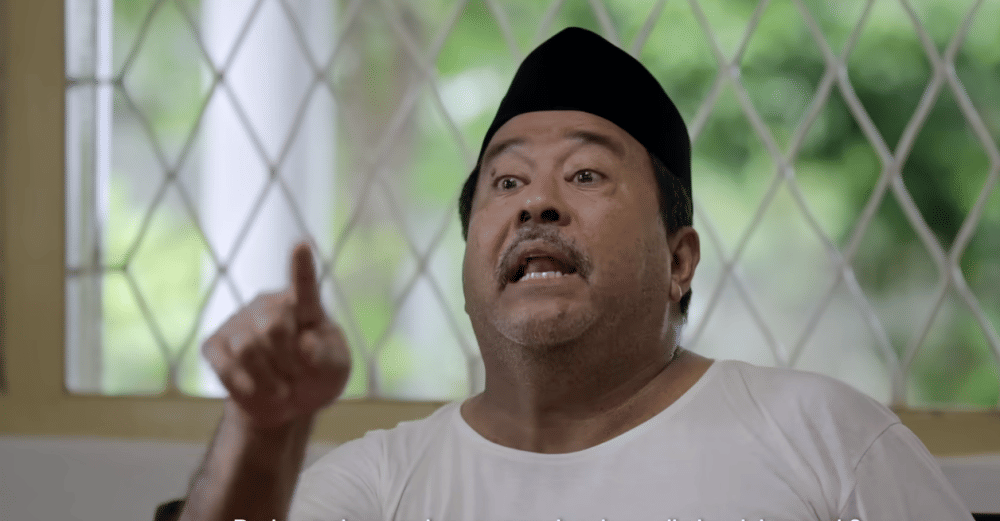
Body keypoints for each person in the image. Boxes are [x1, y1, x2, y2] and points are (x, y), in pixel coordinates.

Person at [175, 27, 973, 521]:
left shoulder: (824, 437)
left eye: (586, 174)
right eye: (506, 181)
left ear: (680, 260)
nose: (537, 204)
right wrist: (263, 427)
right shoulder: (382, 482)